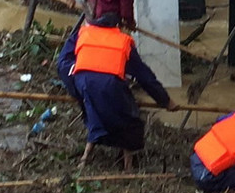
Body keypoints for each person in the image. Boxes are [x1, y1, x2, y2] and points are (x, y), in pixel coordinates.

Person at [57, 13, 178, 169]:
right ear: (118, 27)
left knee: (93, 112)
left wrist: (76, 91)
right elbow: (145, 77)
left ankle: (84, 160)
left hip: (83, 81)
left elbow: (62, 63)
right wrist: (166, 101)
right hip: (109, 84)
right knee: (130, 120)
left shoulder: (83, 33)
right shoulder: (123, 42)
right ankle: (128, 167)